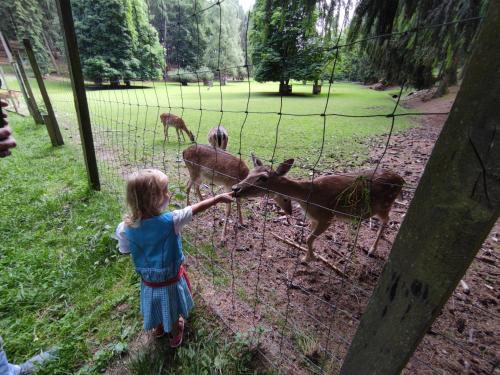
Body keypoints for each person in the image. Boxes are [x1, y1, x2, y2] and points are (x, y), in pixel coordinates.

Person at [115, 169, 233, 348]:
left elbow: (124, 250)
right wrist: (216, 199)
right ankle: (175, 333)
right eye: (165, 190)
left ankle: (159, 328)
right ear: (153, 199)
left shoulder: (124, 228)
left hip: (148, 281)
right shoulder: (172, 220)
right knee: (170, 306)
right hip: (170, 280)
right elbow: (193, 209)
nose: (168, 194)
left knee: (154, 303)